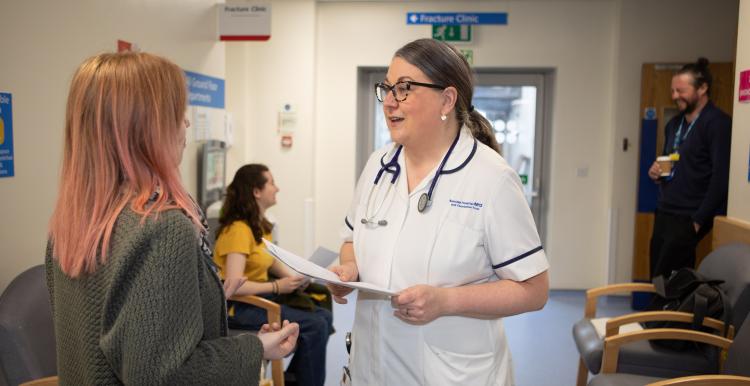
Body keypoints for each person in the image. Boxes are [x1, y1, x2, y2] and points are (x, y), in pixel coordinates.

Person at [46, 52, 298, 385]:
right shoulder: (161, 228)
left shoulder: (70, 226)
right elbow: (166, 375)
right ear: (146, 126)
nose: (187, 124)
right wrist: (254, 348)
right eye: (177, 113)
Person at [328, 38, 549, 385]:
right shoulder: (378, 166)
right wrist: (350, 268)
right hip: (371, 369)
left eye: (404, 89)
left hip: (453, 375)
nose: (389, 101)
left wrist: (446, 301)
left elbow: (534, 290)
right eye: (387, 88)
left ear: (447, 99)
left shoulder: (491, 179)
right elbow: (352, 238)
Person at [214, 164, 333, 386]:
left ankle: (295, 378)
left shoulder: (259, 226)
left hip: (260, 300)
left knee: (324, 316)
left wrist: (296, 278)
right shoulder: (239, 230)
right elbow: (233, 285)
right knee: (315, 324)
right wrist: (278, 287)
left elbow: (269, 261)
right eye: (271, 183)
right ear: (256, 192)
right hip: (238, 307)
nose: (277, 188)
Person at [647, 58, 732, 279]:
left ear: (702, 88)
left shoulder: (718, 124)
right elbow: (675, 164)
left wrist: (698, 221)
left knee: (673, 285)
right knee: (656, 279)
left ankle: (665, 316)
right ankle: (655, 315)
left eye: (681, 90)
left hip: (689, 216)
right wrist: (657, 173)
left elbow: (721, 179)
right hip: (665, 211)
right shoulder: (673, 125)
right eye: (672, 91)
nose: (675, 96)